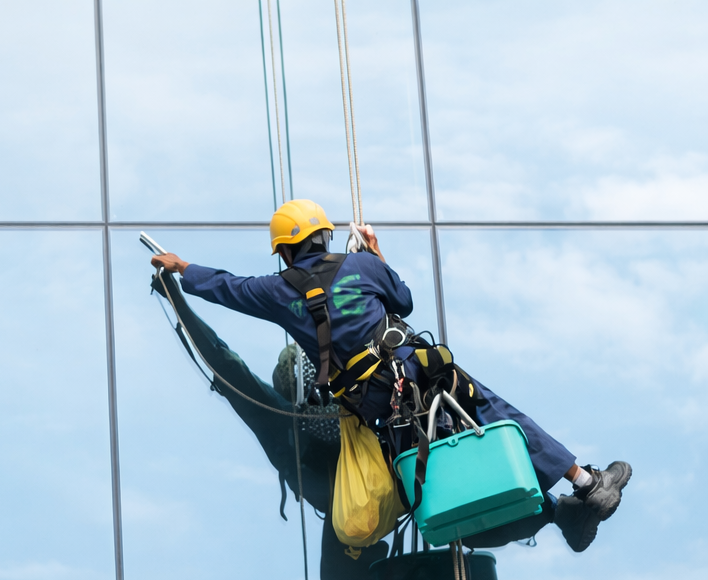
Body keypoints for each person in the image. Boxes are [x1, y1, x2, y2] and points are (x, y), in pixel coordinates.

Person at [150, 199, 630, 555]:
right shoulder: (360, 265)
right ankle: (586, 483)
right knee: (492, 415)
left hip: (381, 409)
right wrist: (376, 255)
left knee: (432, 473)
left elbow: (226, 288)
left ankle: (560, 513)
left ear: (284, 254)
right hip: (420, 371)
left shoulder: (279, 291)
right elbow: (403, 301)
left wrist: (180, 268)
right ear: (326, 238)